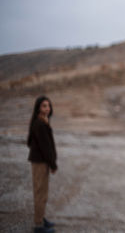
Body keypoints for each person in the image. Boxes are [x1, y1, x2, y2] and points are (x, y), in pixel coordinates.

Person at [27, 96, 57, 233]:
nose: (47, 108)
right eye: (44, 106)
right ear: (38, 107)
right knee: (40, 193)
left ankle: (41, 218)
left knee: (43, 193)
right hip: (40, 163)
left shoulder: (42, 121)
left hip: (41, 161)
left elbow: (30, 142)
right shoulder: (39, 124)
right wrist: (52, 164)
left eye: (48, 106)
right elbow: (45, 147)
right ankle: (38, 225)